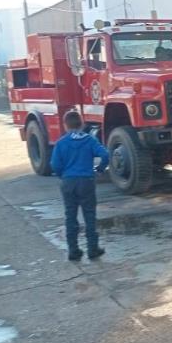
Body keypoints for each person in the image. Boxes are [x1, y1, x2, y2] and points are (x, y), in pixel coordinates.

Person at [50, 111, 109, 261]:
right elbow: (105, 155)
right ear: (81, 124)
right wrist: (100, 169)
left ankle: (73, 250)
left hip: (69, 182)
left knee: (70, 216)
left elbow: (55, 164)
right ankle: (93, 249)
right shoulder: (89, 140)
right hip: (86, 181)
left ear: (65, 125)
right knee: (89, 216)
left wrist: (62, 175)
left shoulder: (61, 142)